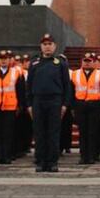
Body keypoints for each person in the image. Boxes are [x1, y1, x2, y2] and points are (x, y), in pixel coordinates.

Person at [27, 34, 72, 173]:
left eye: (50, 44)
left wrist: (65, 104)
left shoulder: (60, 64)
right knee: (39, 133)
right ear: (41, 46)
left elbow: (67, 86)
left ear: (55, 46)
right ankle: (40, 162)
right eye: (45, 44)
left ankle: (52, 162)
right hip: (38, 101)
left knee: (53, 133)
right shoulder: (34, 63)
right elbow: (28, 86)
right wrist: (29, 104)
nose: (47, 47)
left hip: (55, 101)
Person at [0, 50, 26, 164]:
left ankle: (7, 155)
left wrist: (20, 105)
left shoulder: (16, 73)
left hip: (10, 107)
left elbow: (21, 91)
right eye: (1, 58)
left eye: (6, 58)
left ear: (10, 60)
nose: (3, 60)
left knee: (8, 132)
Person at [70, 53, 100, 165]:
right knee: (82, 132)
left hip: (94, 105)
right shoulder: (74, 74)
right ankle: (83, 156)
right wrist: (72, 107)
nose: (87, 63)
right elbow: (71, 91)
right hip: (80, 106)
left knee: (92, 132)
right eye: (85, 60)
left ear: (93, 62)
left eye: (89, 61)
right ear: (81, 62)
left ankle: (92, 155)